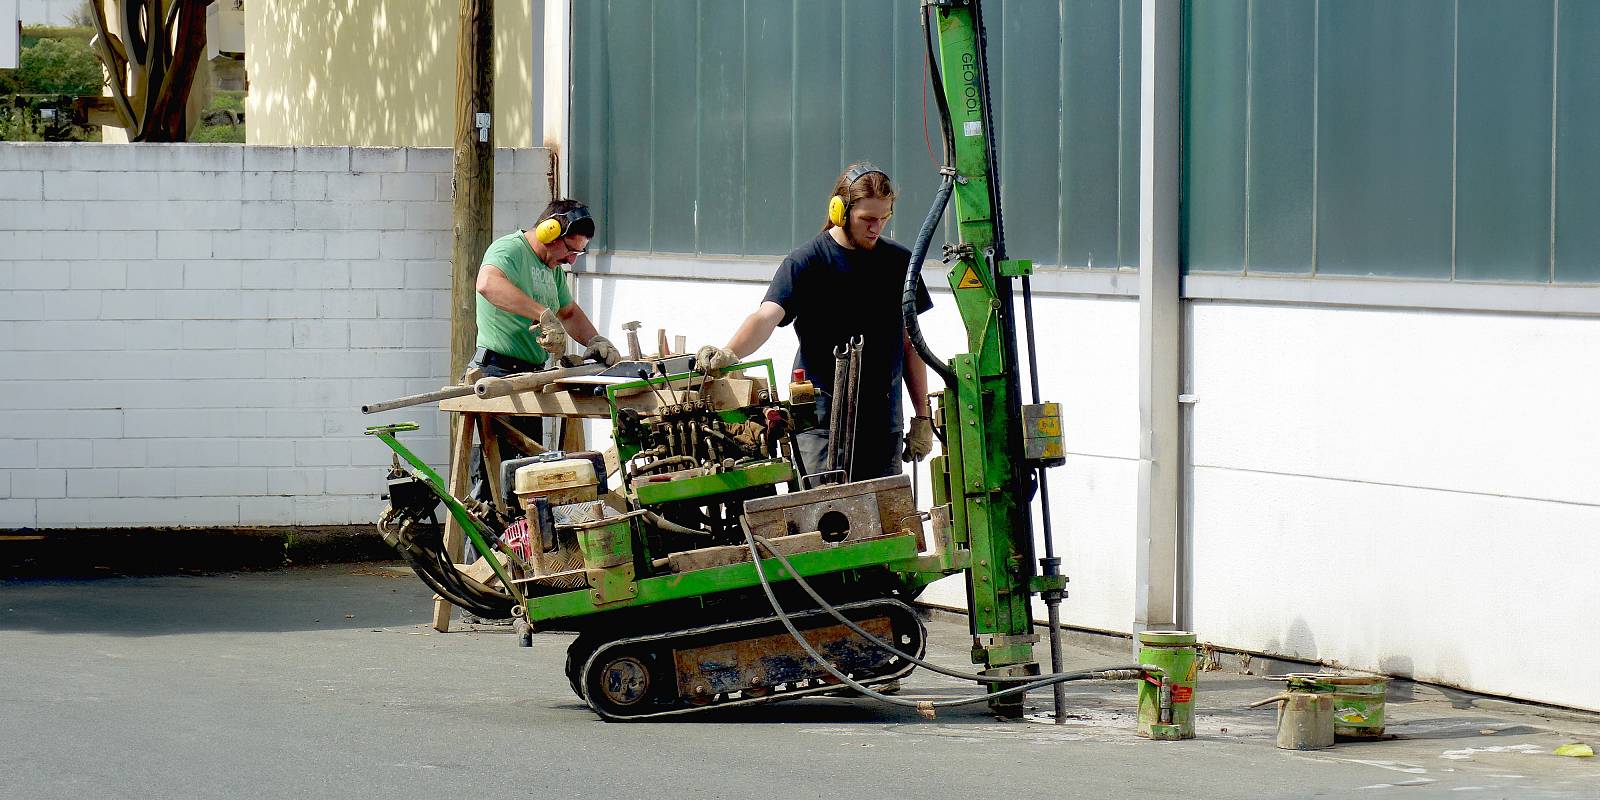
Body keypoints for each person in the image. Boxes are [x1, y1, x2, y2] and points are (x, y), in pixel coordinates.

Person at [697, 164, 935, 481]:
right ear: (839, 210)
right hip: (821, 427)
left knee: (887, 523)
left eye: (884, 218)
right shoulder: (807, 262)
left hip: (882, 428)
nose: (876, 228)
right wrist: (730, 352)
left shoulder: (900, 263)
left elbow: (909, 344)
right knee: (825, 520)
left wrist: (922, 416)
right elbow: (766, 316)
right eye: (867, 219)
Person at [466, 199, 622, 510]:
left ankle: (520, 556)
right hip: (496, 375)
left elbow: (568, 311)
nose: (571, 261)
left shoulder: (551, 270)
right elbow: (487, 284)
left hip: (529, 377)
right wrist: (542, 315)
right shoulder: (509, 250)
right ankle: (478, 560)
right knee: (491, 489)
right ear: (550, 231)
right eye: (570, 251)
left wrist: (596, 339)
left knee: (525, 484)